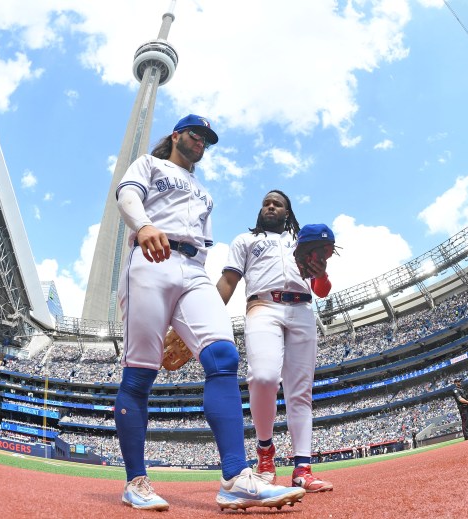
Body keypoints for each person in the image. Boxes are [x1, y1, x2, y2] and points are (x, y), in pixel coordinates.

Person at [113, 115, 305, 511]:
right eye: (195, 133)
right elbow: (126, 195)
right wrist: (144, 224)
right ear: (177, 135)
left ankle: (236, 477)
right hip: (150, 258)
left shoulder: (204, 192)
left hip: (194, 268)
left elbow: (202, 241)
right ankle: (136, 480)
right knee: (140, 372)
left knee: (223, 357)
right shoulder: (150, 164)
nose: (201, 140)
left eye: (207, 138)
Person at [216, 190, 333, 492]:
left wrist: (321, 274)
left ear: (287, 212)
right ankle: (265, 451)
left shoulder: (302, 244)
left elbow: (321, 289)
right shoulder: (245, 240)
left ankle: (302, 469)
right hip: (263, 306)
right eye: (266, 202)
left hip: (302, 309)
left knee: (300, 392)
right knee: (264, 377)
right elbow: (229, 281)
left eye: (277, 204)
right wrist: (208, 316)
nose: (269, 206)